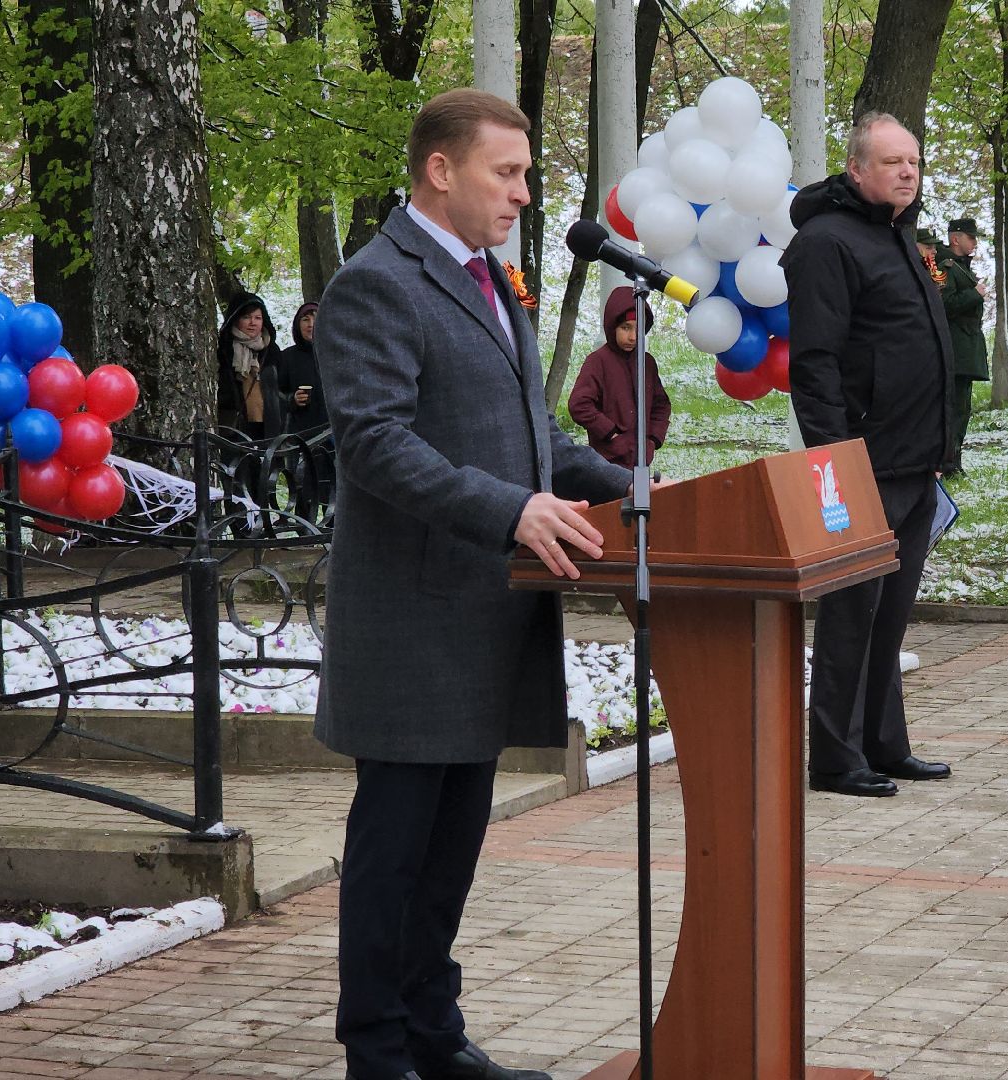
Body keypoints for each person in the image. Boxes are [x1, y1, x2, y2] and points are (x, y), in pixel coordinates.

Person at [314, 87, 632, 1080]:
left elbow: (531, 439)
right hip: (412, 626)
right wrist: (509, 511)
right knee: (394, 857)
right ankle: (378, 1053)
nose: (523, 193)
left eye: (525, 174)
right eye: (507, 172)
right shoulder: (376, 283)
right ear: (440, 170)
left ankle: (433, 1039)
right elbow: (374, 443)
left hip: (483, 619)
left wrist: (634, 489)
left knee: (449, 856)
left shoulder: (490, 278)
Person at [783, 111, 955, 799]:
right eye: (892, 162)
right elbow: (815, 365)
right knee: (852, 614)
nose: (907, 172)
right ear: (856, 170)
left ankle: (884, 744)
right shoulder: (827, 243)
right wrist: (835, 462)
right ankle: (834, 758)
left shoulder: (896, 232)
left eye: (913, 161)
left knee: (889, 615)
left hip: (915, 460)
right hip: (862, 463)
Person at [567, 285, 671, 468]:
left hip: (641, 460)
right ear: (612, 326)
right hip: (607, 462)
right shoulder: (598, 361)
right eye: (625, 328)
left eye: (638, 329)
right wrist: (610, 433)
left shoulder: (646, 362)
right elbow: (579, 404)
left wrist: (652, 440)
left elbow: (661, 405)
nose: (633, 337)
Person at [273, 300, 335, 513]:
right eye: (305, 319)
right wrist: (292, 399)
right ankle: (304, 529)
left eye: (316, 318)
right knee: (303, 491)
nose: (311, 324)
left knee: (334, 492)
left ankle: (332, 531)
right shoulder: (287, 357)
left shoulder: (335, 354)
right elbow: (274, 395)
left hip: (334, 433)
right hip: (302, 435)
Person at [943, 216, 990, 463]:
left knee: (962, 409)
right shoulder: (946, 267)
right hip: (955, 348)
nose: (974, 243)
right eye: (970, 238)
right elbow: (945, 305)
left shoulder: (961, 267)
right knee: (954, 409)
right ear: (955, 238)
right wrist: (974, 294)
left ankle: (954, 460)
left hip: (965, 347)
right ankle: (948, 462)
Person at [215, 292, 283, 439]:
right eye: (246, 317)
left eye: (258, 318)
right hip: (233, 428)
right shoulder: (223, 349)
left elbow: (283, 388)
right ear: (236, 319)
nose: (253, 322)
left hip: (268, 428)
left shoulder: (272, 350)